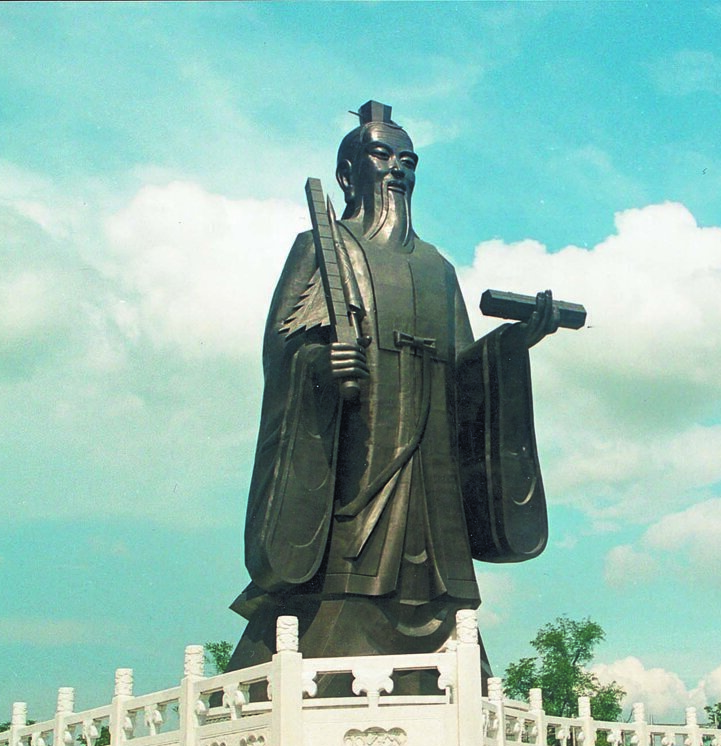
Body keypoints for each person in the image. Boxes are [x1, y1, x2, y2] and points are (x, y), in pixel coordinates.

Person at [225, 102, 560, 689]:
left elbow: (466, 371)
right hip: (358, 439)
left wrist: (512, 345)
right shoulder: (321, 247)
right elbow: (281, 348)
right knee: (351, 549)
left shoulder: (438, 267)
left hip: (430, 451)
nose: (396, 169)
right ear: (349, 173)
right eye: (380, 155)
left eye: (407, 160)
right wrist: (318, 364)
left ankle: (448, 670)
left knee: (436, 562)